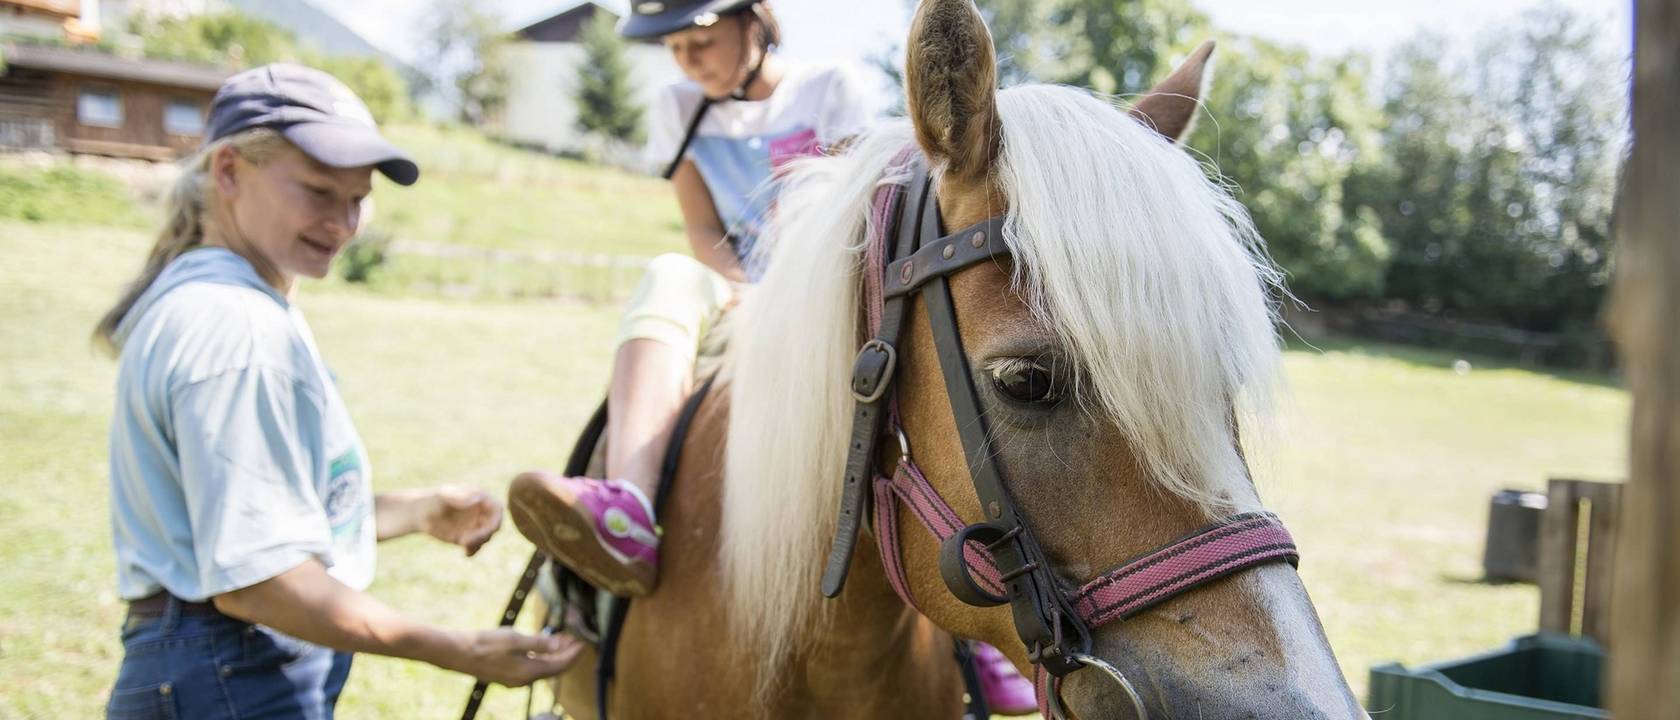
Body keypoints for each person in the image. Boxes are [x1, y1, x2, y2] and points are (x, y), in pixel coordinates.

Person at [505, 1, 1037, 713]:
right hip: (739, 287)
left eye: (702, 38)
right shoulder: (677, 106)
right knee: (668, 273)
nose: (688, 57)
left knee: (932, 428)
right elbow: (700, 224)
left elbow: (863, 212)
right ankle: (625, 505)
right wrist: (748, 297)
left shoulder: (830, 90)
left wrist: (799, 303)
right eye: (674, 45)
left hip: (833, 293)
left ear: (755, 25)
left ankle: (970, 630)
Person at [97, 64, 582, 720]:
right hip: (234, 667)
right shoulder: (237, 328)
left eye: (357, 198)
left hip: (212, 665)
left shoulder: (206, 298)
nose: (344, 223)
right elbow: (258, 582)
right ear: (230, 172)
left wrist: (411, 512)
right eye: (320, 192)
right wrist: (458, 649)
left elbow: (247, 515)